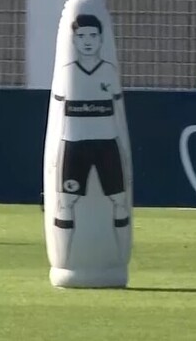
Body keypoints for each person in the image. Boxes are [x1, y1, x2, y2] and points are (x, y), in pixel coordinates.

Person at [53, 14, 131, 264]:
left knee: (119, 201)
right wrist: (56, 154)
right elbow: (58, 117)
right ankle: (64, 263)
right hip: (74, 146)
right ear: (73, 40)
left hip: (106, 145)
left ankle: (118, 260)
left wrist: (123, 150)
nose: (87, 41)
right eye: (81, 36)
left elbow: (118, 111)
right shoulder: (67, 73)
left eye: (92, 36)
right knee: (65, 203)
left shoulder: (108, 71)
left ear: (100, 39)